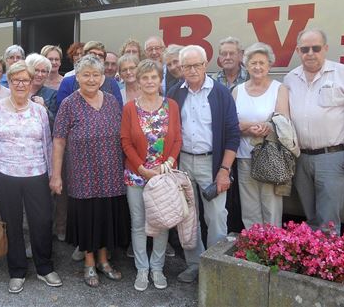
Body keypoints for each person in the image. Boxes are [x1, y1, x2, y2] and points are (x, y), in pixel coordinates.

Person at [0, 61, 62, 294]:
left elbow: (47, 144)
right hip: (5, 174)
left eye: (25, 80)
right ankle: (16, 271)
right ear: (10, 82)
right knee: (11, 224)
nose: (21, 84)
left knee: (42, 221)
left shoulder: (40, 111)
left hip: (36, 174)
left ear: (32, 81)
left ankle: (44, 267)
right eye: (16, 80)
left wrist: (53, 174)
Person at [283, 28, 344, 234]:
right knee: (310, 217)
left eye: (316, 48)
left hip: (333, 157)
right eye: (305, 49)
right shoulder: (291, 78)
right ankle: (312, 260)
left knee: (328, 220)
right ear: (298, 51)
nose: (310, 53)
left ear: (325, 49)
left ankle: (326, 263)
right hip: (300, 158)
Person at [50, 55, 129, 287]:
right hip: (82, 174)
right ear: (78, 77)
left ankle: (104, 261)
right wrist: (56, 175)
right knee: (87, 219)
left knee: (106, 217)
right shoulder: (69, 104)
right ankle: (89, 263)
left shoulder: (114, 101)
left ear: (103, 77)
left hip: (111, 173)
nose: (91, 79)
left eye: (96, 74)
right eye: (86, 74)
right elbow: (59, 141)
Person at [168, 45, 240, 283]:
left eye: (197, 64)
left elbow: (232, 134)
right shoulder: (175, 93)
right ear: (181, 67)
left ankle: (214, 268)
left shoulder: (220, 93)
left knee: (217, 215)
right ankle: (194, 264)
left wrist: (224, 170)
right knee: (187, 216)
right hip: (184, 161)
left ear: (206, 64)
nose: (192, 70)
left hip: (213, 163)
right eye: (187, 65)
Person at [121, 59, 182, 291]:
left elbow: (177, 138)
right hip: (137, 176)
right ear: (138, 80)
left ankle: (157, 268)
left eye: (153, 77)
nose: (149, 81)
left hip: (164, 175)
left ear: (160, 80)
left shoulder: (172, 106)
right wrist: (141, 168)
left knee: (161, 223)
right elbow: (125, 142)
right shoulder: (129, 108)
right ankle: (142, 269)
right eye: (144, 77)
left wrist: (167, 162)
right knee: (138, 224)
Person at [232, 42, 289, 229]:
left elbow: (282, 121)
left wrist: (253, 126)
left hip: (269, 156)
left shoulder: (279, 89)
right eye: (253, 63)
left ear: (269, 65)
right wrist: (252, 128)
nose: (257, 67)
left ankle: (272, 250)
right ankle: (253, 248)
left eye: (262, 63)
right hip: (244, 155)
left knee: (270, 206)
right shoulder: (237, 90)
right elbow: (232, 123)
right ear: (246, 65)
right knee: (249, 209)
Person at [26, 54, 57, 136]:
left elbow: (55, 126)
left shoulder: (53, 94)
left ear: (47, 74)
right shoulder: (18, 91)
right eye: (36, 70)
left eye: (43, 71)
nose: (40, 74)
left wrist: (44, 108)